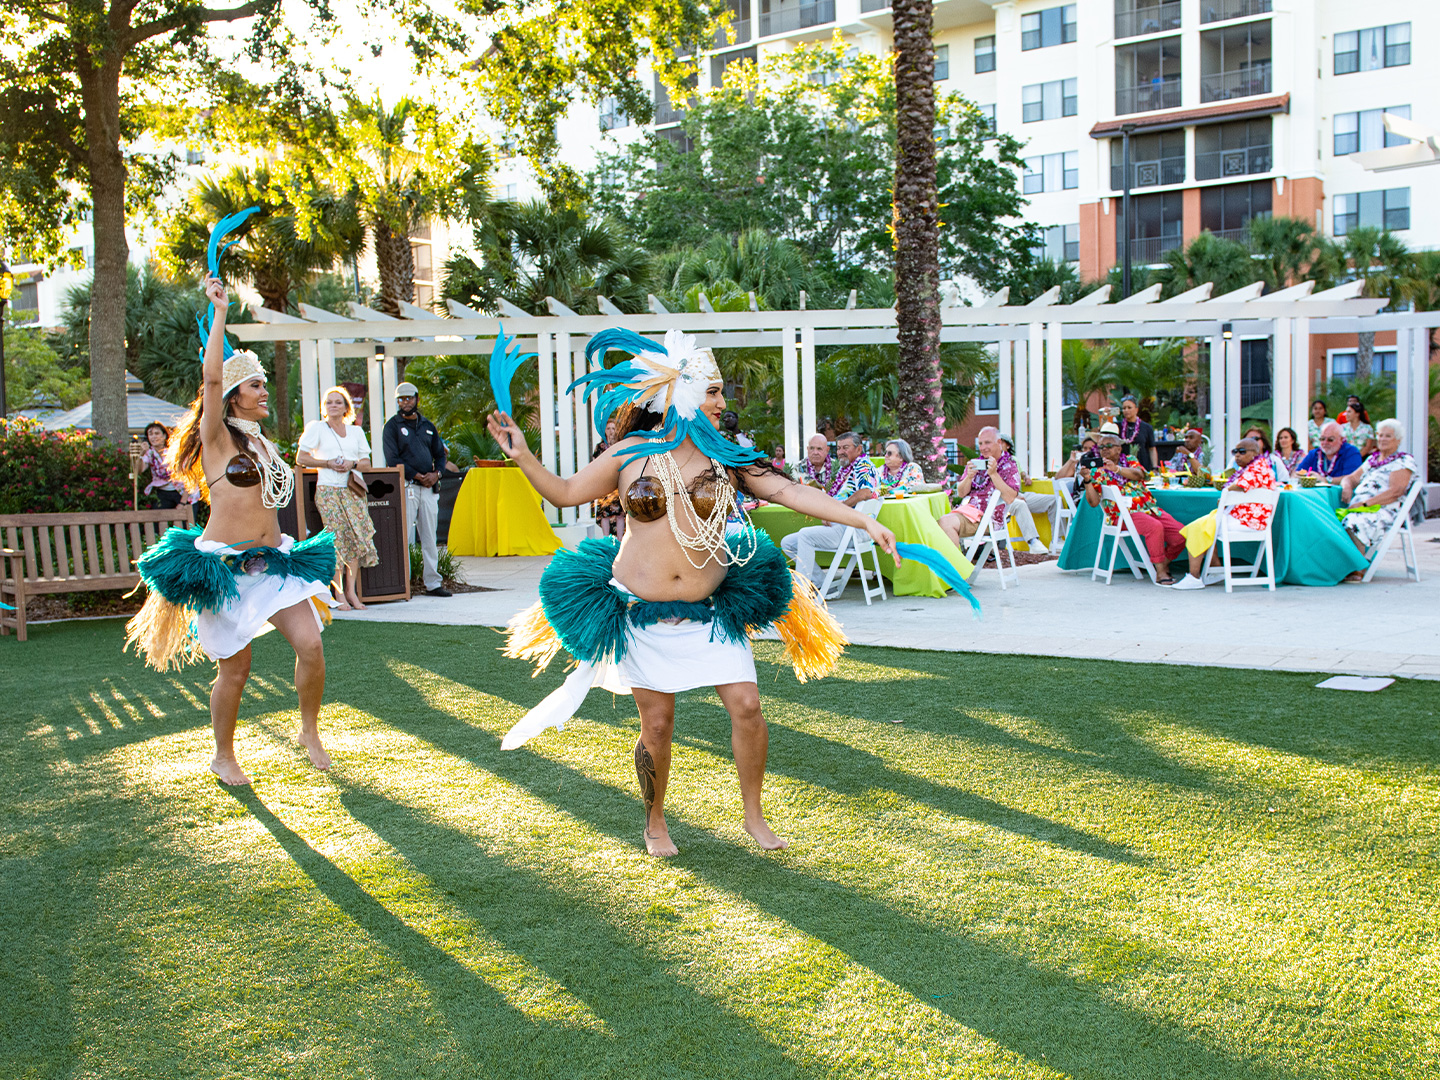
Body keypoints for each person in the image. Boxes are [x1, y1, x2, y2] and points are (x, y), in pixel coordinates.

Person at [487, 327, 899, 858]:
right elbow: (566, 493)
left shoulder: (726, 458)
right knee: (657, 725)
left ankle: (753, 815)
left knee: (747, 706)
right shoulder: (630, 453)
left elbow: (791, 491)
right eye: (713, 391)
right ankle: (654, 820)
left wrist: (862, 519)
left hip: (710, 613)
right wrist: (523, 456)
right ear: (678, 391)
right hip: (641, 614)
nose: (722, 403)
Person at [124, 276, 336, 785]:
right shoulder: (217, 438)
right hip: (225, 570)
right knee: (236, 670)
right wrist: (221, 312)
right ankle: (223, 755)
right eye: (256, 385)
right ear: (235, 395)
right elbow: (212, 379)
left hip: (275, 564)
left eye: (263, 383)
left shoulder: (261, 442)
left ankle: (308, 730)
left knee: (311, 646)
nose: (264, 391)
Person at [296, 386, 379, 611]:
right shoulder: (317, 428)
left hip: (353, 490)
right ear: (324, 407)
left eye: (338, 402)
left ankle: (351, 592)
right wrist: (327, 463)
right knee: (337, 541)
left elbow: (366, 463)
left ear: (346, 407)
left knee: (356, 539)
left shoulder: (356, 432)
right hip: (328, 491)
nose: (333, 405)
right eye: (329, 402)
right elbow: (301, 457)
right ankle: (339, 593)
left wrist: (352, 463)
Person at [1076, 430, 1185, 585]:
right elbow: (1093, 503)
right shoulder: (1097, 471)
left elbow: (1140, 475)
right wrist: (1087, 480)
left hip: (1148, 508)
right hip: (1121, 515)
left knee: (1181, 534)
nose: (1104, 449)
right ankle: (1160, 572)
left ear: (1119, 448)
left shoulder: (1130, 460)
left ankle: (1163, 562)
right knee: (1154, 527)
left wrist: (1116, 469)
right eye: (1101, 447)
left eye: (1109, 446)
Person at [1169, 437, 1277, 590]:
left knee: (1197, 528)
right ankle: (1216, 569)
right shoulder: (1256, 466)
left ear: (1254, 453)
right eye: (1235, 452)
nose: (1237, 455)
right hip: (1246, 518)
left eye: (1242, 451)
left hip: (1248, 521)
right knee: (1203, 526)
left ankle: (1194, 577)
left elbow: (1239, 486)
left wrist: (1226, 495)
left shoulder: (1258, 467)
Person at [780, 431, 880, 595]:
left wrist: (836, 511)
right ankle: (821, 583)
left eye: (845, 447)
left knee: (805, 536)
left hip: (855, 529)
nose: (841, 452)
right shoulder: (844, 470)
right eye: (839, 448)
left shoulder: (864, 466)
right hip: (843, 527)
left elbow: (865, 492)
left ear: (859, 449)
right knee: (788, 543)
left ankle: (802, 592)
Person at [383, 381, 451, 597]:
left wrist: (436, 474)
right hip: (407, 486)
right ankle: (404, 584)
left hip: (429, 489)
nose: (405, 402)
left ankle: (433, 583)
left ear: (417, 399)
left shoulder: (428, 426)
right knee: (405, 536)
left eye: (409, 398)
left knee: (430, 536)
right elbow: (392, 459)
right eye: (401, 399)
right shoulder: (392, 427)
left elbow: (440, 455)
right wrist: (417, 475)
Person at [1338, 418, 1416, 577]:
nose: (1382, 439)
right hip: (1361, 507)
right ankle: (1338, 565)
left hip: (1383, 508)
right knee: (1331, 518)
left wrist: (1365, 504)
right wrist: (1347, 486)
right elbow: (1352, 478)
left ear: (1398, 440)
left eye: (1388, 436)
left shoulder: (1403, 461)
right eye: (1380, 435)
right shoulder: (1372, 460)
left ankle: (1358, 567)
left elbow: (1395, 492)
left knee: (1354, 521)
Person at [939, 427, 1019, 546]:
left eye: (987, 442)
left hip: (988, 519)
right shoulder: (975, 463)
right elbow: (961, 493)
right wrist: (969, 477)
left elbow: (1010, 498)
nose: (983, 447)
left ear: (998, 442)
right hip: (968, 512)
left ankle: (955, 559)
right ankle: (955, 558)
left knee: (945, 523)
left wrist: (993, 474)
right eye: (980, 443)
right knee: (935, 522)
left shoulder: (1009, 465)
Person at [995, 433, 1052, 554]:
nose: (998, 444)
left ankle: (1057, 539)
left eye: (1001, 442)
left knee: (1053, 500)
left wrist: (1026, 477)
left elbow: (1021, 472)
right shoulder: (992, 462)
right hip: (1005, 498)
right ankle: (1033, 541)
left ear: (1008, 446)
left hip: (1020, 494)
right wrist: (1014, 496)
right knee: (1020, 504)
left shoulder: (1013, 460)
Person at [138, 422, 187, 510]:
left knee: (185, 517)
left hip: (183, 493)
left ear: (164, 436)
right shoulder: (149, 453)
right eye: (150, 434)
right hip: (163, 492)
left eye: (157, 433)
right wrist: (141, 454)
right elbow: (139, 470)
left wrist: (183, 502)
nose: (154, 437)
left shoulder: (174, 452)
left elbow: (188, 477)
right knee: (158, 515)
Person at [591, 417, 625, 539]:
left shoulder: (620, 446)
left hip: (617, 483)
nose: (611, 431)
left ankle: (620, 540)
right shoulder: (600, 447)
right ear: (604, 431)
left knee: (620, 513)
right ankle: (606, 539)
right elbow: (595, 464)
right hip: (604, 484)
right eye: (608, 428)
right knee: (604, 512)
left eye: (613, 428)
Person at [1296, 422, 1362, 478]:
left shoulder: (1351, 452)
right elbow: (1297, 474)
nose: (1325, 442)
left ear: (1341, 439)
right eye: (1322, 439)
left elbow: (1351, 479)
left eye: (1330, 439)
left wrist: (1326, 480)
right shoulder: (1314, 454)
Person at [1117, 395, 1158, 469]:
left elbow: (1152, 448)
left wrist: (1155, 467)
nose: (1126, 410)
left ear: (1136, 409)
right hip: (1123, 468)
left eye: (1129, 407)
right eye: (1124, 408)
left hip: (1142, 466)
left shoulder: (1146, 427)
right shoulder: (1118, 427)